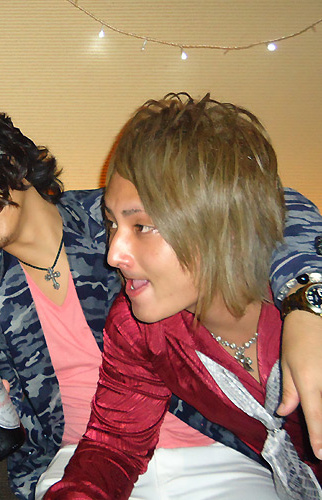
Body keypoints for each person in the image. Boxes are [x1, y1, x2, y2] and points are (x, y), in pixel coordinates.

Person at [0, 100, 322, 499]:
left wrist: (307, 301)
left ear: (10, 158)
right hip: (81, 460)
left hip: (211, 449)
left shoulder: (117, 216)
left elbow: (267, 206)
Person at [45, 93, 322, 500]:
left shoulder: (300, 297)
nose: (113, 254)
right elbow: (115, 445)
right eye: (112, 223)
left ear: (221, 227)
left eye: (142, 226)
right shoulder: (140, 328)